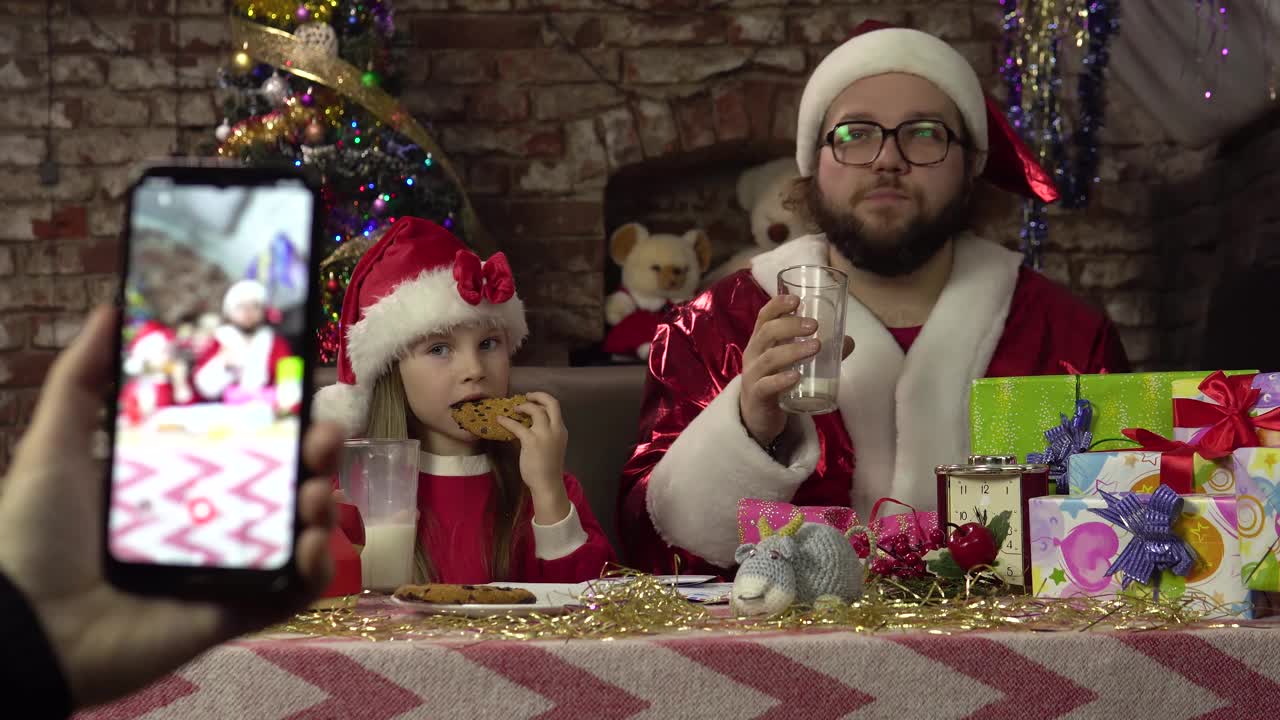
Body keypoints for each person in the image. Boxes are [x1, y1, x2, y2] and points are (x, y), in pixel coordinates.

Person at [617, 21, 1131, 575]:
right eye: (854, 133)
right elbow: (651, 549)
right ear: (813, 162)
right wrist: (748, 426)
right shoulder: (717, 326)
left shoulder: (1069, 336)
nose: (888, 158)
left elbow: (1128, 533)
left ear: (972, 164)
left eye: (925, 133)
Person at [0, 306, 341, 718]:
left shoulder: (274, 343)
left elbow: (275, 385)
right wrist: (32, 625)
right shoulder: (213, 346)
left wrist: (30, 639)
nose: (248, 313)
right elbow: (201, 381)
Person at [314, 217, 615, 583]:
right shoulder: (352, 492)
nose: (474, 369)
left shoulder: (545, 485)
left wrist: (548, 493)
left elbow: (599, 607)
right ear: (393, 372)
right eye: (439, 349)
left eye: (488, 343)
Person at [193, 279, 293, 403]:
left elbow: (289, 384)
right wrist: (222, 363)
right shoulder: (219, 340)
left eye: (255, 306)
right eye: (241, 307)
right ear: (229, 312)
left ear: (263, 311)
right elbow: (204, 389)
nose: (248, 312)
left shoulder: (276, 343)